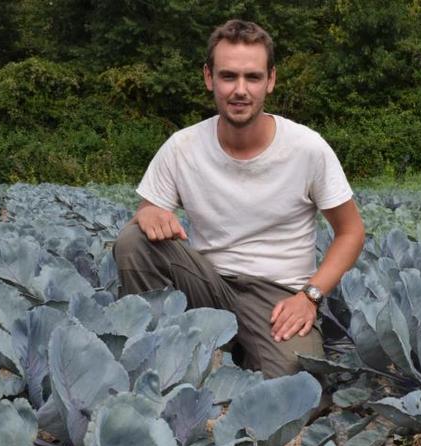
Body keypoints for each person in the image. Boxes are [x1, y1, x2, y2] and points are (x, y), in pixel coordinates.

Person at [113, 19, 365, 378]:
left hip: (278, 296)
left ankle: (241, 351)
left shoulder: (307, 148)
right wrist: (150, 211)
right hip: (207, 284)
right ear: (209, 78)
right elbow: (149, 212)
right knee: (133, 240)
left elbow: (351, 231)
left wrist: (310, 296)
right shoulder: (182, 147)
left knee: (295, 388)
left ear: (271, 80)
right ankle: (152, 359)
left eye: (253, 77)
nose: (240, 90)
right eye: (229, 76)